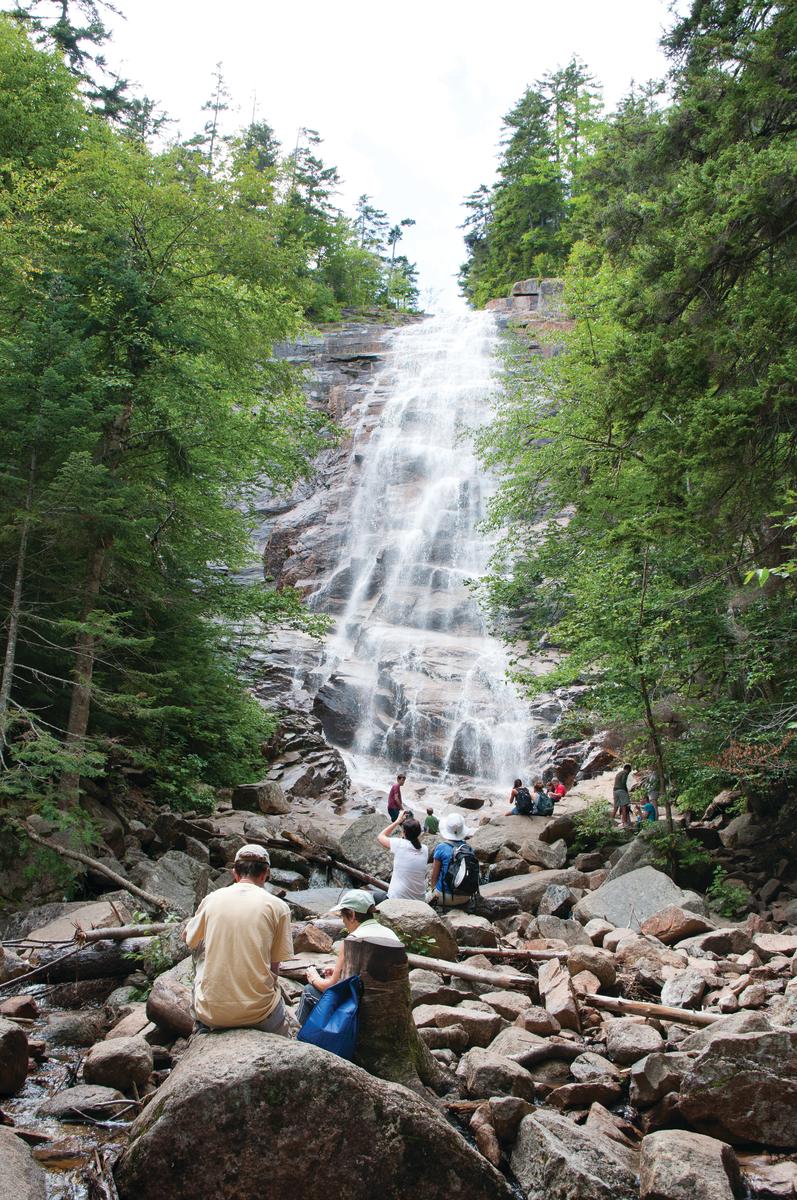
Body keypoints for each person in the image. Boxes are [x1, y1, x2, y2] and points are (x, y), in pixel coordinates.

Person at [183, 844, 293, 1035]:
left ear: (234, 872)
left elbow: (188, 939)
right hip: (260, 1013)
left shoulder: (213, 899)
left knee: (199, 944)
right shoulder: (278, 907)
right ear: (265, 873)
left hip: (212, 1014)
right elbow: (275, 968)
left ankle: (203, 1025)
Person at [298, 889, 402, 1026]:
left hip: (359, 1013)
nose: (343, 921)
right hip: (391, 1008)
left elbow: (328, 987)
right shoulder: (390, 934)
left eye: (343, 916)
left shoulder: (351, 941)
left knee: (309, 992)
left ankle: (298, 1038)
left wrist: (313, 978)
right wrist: (339, 971)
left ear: (352, 915)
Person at [428, 812, 478, 909]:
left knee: (423, 901)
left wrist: (433, 891)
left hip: (444, 897)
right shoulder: (468, 848)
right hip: (466, 896)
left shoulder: (441, 847)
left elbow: (434, 875)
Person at [377, 812, 429, 901]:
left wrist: (397, 821)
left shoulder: (399, 844)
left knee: (373, 896)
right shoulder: (425, 849)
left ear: (404, 832)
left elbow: (380, 836)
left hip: (397, 898)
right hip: (419, 900)